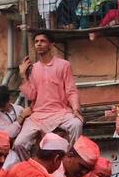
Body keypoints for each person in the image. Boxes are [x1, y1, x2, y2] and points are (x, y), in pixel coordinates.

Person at [12, 31, 82, 162]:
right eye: (36, 42)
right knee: (18, 144)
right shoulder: (33, 69)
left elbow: (71, 90)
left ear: (51, 44)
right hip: (38, 115)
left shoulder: (64, 65)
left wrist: (75, 109)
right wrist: (23, 75)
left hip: (60, 112)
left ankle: (70, 160)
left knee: (76, 124)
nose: (39, 44)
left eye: (42, 41)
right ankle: (32, 167)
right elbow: (31, 96)